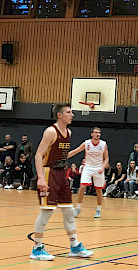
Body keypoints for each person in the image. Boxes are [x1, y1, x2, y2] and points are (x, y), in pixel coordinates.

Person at [30, 103, 93, 261]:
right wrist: (41, 178)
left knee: (69, 211)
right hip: (48, 172)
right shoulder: (51, 132)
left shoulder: (68, 132)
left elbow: (62, 156)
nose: (72, 115)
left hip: (61, 173)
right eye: (69, 112)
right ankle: (36, 249)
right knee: (47, 211)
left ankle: (74, 247)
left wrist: (79, 150)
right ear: (60, 115)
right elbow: (38, 155)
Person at [68, 127, 109, 218]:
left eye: (99, 132)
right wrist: (64, 157)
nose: (98, 134)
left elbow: (106, 158)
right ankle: (78, 208)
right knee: (82, 187)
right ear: (92, 134)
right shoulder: (86, 143)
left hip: (98, 168)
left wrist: (102, 167)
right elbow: (76, 151)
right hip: (88, 167)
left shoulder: (103, 144)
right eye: (96, 132)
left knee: (99, 190)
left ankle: (98, 209)